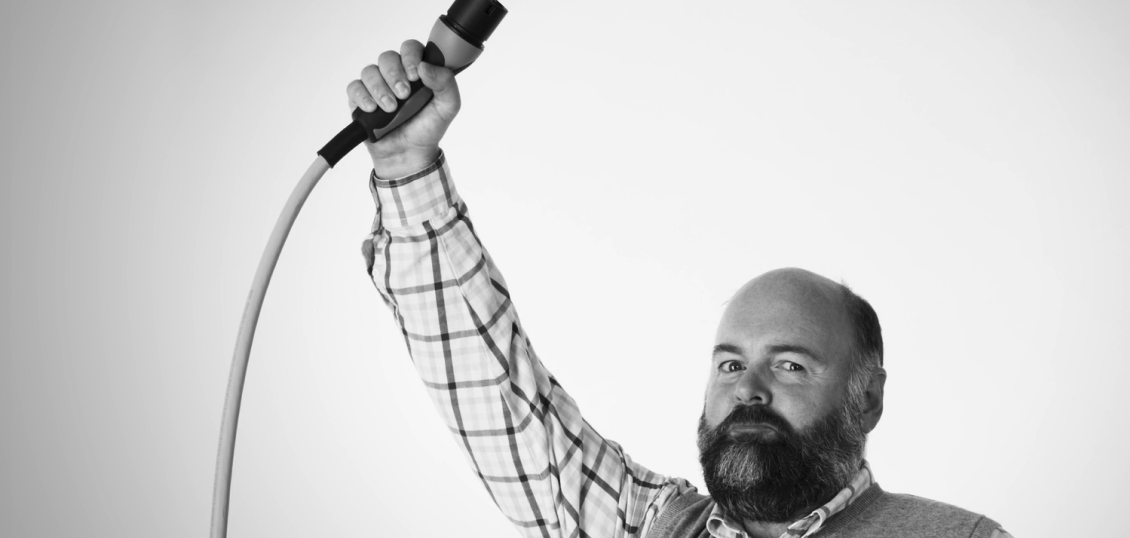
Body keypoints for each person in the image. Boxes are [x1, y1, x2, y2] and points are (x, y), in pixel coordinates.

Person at [348, 40, 1012, 538]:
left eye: (790, 365)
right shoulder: (653, 526)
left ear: (866, 400)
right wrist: (408, 168)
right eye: (731, 364)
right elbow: (503, 403)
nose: (747, 391)